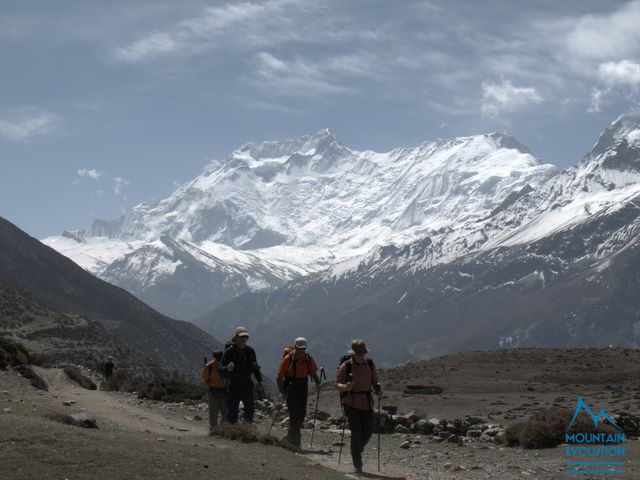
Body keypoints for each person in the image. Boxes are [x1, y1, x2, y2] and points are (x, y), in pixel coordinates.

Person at [335, 339, 382, 474]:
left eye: (363, 354)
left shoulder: (370, 364)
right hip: (351, 402)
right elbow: (337, 384)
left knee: (367, 432)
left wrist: (378, 389)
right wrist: (345, 387)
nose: (361, 356)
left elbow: (375, 380)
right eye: (359, 354)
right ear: (353, 354)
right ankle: (357, 461)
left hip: (367, 402)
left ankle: (356, 450)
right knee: (357, 432)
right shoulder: (346, 366)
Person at [276, 337, 321, 450]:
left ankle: (289, 438)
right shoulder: (288, 359)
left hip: (302, 388)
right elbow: (279, 377)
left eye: (303, 349)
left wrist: (318, 384)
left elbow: (314, 373)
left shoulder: (308, 358)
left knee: (301, 414)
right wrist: (283, 392)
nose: (301, 351)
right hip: (291, 389)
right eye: (299, 348)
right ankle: (295, 444)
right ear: (295, 347)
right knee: (295, 415)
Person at [220, 326, 263, 424]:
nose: (244, 339)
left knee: (250, 409)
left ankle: (246, 431)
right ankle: (231, 430)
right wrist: (226, 368)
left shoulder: (250, 351)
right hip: (234, 383)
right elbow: (220, 367)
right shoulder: (229, 351)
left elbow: (255, 367)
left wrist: (260, 381)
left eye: (245, 337)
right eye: (241, 337)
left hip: (247, 384)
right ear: (236, 337)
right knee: (232, 409)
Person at [201, 350, 228, 434]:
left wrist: (211, 385)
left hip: (213, 391)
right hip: (224, 391)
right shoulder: (226, 365)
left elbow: (205, 379)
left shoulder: (209, 365)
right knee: (225, 413)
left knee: (213, 413)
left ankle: (214, 430)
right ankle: (221, 429)